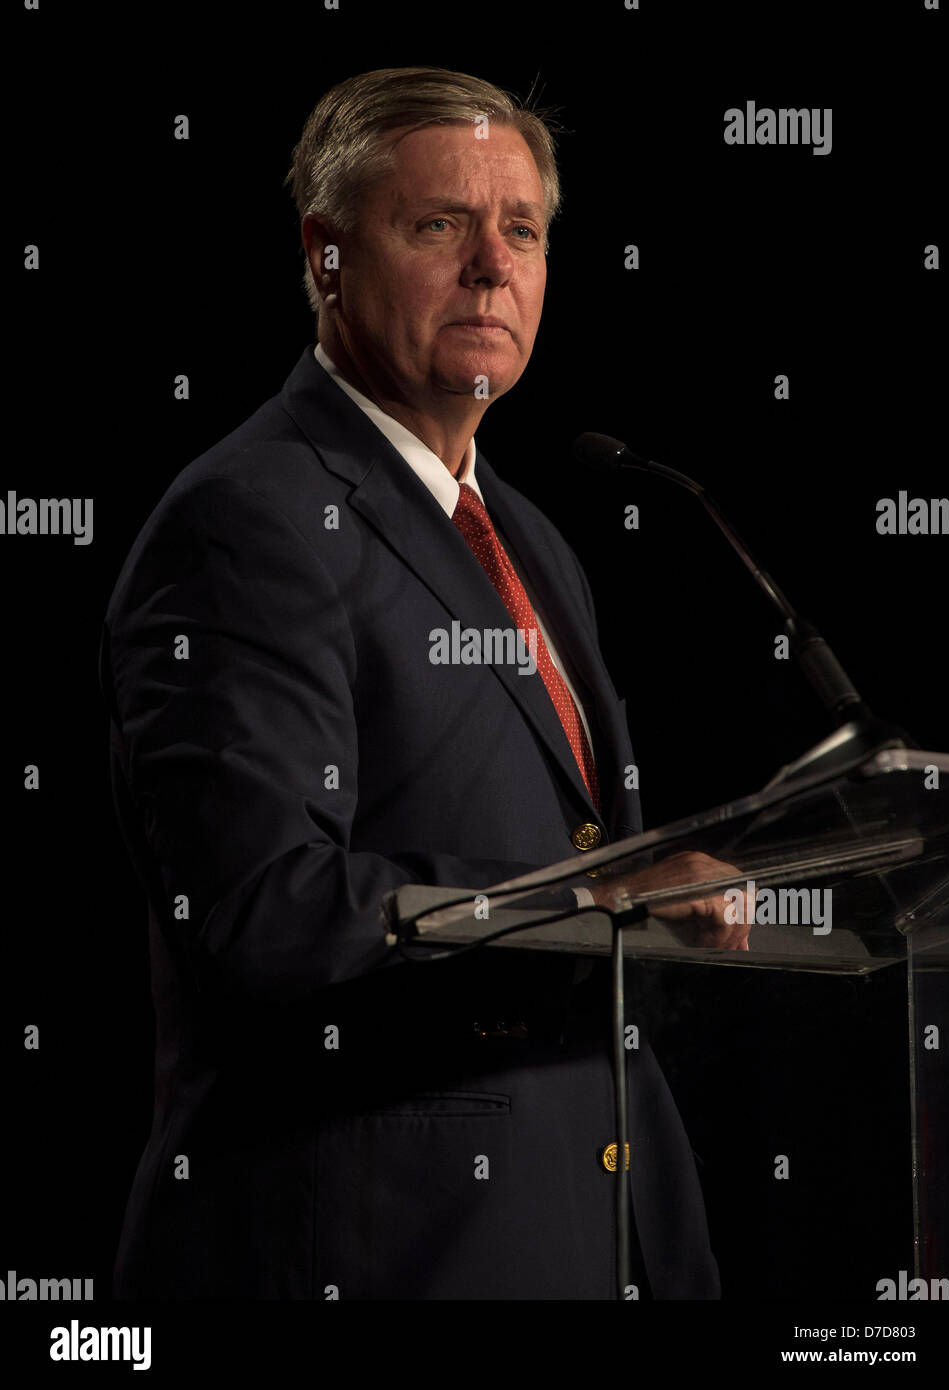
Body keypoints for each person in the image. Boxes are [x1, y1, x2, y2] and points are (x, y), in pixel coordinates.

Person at [100, 65, 746, 1301]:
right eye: (440, 224)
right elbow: (265, 908)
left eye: (522, 229)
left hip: (600, 1230)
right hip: (376, 1246)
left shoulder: (532, 541)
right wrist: (602, 897)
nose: (493, 268)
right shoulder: (249, 520)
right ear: (327, 255)